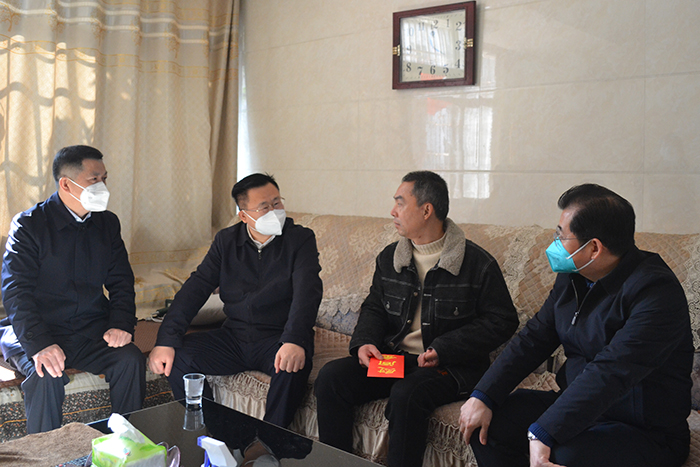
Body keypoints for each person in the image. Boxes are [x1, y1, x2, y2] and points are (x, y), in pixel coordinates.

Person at [459, 183, 693, 467]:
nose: (554, 243)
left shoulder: (655, 293)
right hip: (580, 408)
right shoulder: (574, 276)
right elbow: (534, 338)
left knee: (565, 455)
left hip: (643, 428)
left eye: (561, 235)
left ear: (594, 248)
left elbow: (610, 372)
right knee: (487, 423)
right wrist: (483, 395)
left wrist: (544, 431)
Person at [314, 171, 519, 467]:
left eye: (400, 203)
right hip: (395, 361)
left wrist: (445, 348)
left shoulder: (477, 263)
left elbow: (502, 320)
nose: (393, 211)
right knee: (332, 378)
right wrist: (365, 342)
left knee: (407, 395)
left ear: (426, 210)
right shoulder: (390, 258)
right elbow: (374, 307)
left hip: (449, 367)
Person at [147, 173, 323, 428]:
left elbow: (308, 293)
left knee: (291, 366)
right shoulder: (226, 241)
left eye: (277, 202)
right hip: (234, 336)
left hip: (278, 337)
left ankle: (271, 440)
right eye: (264, 207)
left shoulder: (300, 239)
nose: (274, 211)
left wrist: (294, 339)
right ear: (244, 216)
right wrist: (166, 340)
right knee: (178, 357)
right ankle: (214, 431)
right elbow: (196, 288)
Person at [1, 145, 145, 434]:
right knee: (46, 374)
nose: (103, 186)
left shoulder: (107, 223)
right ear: (66, 184)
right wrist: (40, 344)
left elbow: (121, 281)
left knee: (129, 358)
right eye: (94, 179)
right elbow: (16, 291)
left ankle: (125, 445)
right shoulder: (29, 225)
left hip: (88, 328)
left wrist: (120, 323)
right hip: (38, 328)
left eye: (104, 178)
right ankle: (47, 453)